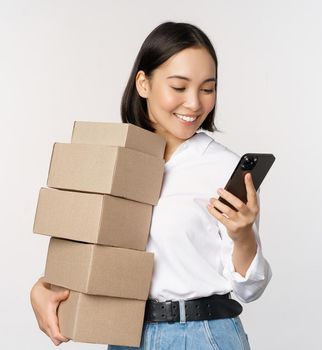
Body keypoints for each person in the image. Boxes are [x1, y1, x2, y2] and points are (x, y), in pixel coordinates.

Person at [30, 22, 272, 349]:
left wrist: (243, 235)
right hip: (125, 335)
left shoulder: (222, 167)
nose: (195, 104)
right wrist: (43, 287)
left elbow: (249, 289)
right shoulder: (114, 157)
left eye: (207, 88)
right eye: (179, 86)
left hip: (202, 335)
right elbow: (92, 250)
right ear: (144, 83)